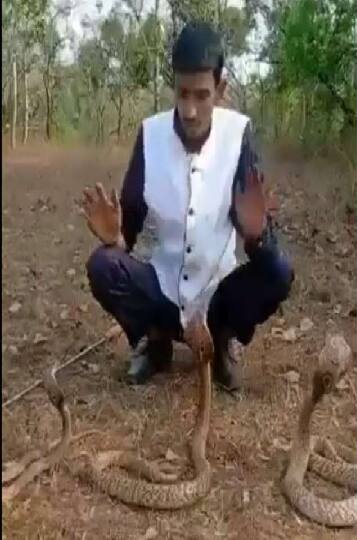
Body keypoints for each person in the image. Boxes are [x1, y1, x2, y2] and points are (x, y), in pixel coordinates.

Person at [81, 22, 294, 390]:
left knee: (278, 270)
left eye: (202, 95)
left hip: (217, 293)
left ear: (221, 89)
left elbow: (256, 230)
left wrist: (259, 237)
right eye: (182, 94)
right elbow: (128, 227)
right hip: (163, 290)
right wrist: (115, 237)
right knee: (102, 265)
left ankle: (222, 341)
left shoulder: (238, 135)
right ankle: (156, 339)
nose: (190, 110)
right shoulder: (150, 134)